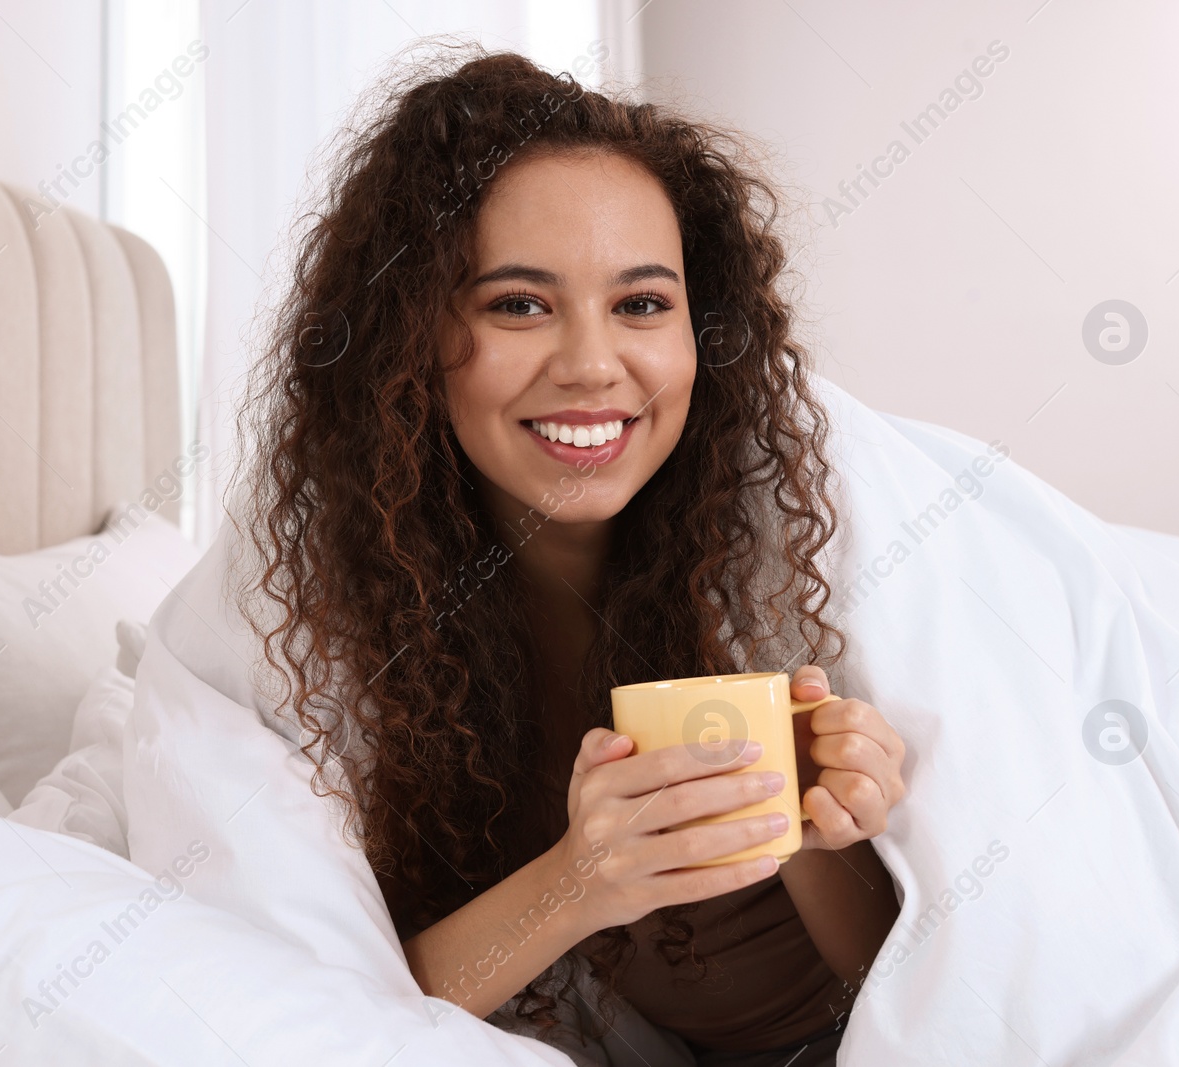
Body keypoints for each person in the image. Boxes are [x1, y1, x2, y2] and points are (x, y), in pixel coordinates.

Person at [230, 49, 908, 1065]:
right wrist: (577, 880)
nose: (594, 366)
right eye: (518, 304)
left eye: (641, 304)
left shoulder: (793, 547)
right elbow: (327, 1005)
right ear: (407, 334)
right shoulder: (331, 604)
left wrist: (826, 831)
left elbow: (936, 986)